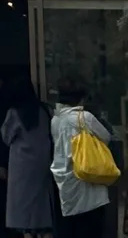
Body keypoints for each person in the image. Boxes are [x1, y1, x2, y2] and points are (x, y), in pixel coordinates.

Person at [52, 78, 113, 238]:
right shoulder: (84, 118)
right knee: (90, 228)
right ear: (81, 98)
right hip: (87, 181)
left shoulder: (55, 120)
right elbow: (106, 137)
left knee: (71, 229)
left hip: (65, 184)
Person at [1, 77, 54, 238]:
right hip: (43, 162)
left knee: (23, 208)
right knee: (41, 205)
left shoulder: (14, 113)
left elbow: (6, 137)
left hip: (22, 166)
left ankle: (28, 232)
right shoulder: (45, 111)